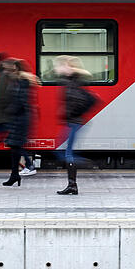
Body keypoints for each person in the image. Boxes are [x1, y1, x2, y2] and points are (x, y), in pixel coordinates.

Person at [55, 55, 95, 196]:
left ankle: (74, 183)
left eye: (61, 65)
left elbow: (76, 101)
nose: (58, 68)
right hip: (72, 121)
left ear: (69, 67)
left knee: (67, 153)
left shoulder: (74, 81)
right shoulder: (70, 81)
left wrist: (69, 114)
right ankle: (73, 183)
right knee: (62, 152)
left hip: (74, 121)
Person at [2, 60, 39, 187]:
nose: (5, 72)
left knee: (15, 147)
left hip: (20, 119)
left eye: (8, 70)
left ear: (15, 69)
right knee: (15, 148)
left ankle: (17, 174)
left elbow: (21, 101)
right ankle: (15, 175)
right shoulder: (17, 82)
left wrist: (8, 110)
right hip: (17, 119)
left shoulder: (22, 83)